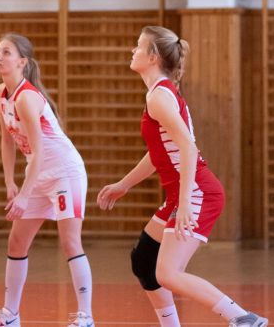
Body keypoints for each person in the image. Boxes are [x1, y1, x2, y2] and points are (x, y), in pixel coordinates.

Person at [98, 27, 267, 327]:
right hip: (183, 192)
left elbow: (188, 149)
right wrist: (124, 184)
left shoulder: (159, 98)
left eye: (138, 47)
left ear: (152, 57)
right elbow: (159, 153)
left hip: (197, 191)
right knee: (144, 261)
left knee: (168, 273)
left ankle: (243, 318)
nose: (132, 51)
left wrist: (186, 201)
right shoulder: (159, 94)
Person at [0, 33, 93, 327]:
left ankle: (85, 317)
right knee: (16, 242)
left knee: (70, 242)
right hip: (37, 172)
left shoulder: (27, 97)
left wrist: (25, 195)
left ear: (22, 62)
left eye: (6, 52)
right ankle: (10, 315)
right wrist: (9, 182)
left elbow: (39, 151)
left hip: (64, 172)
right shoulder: (0, 93)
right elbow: (7, 140)